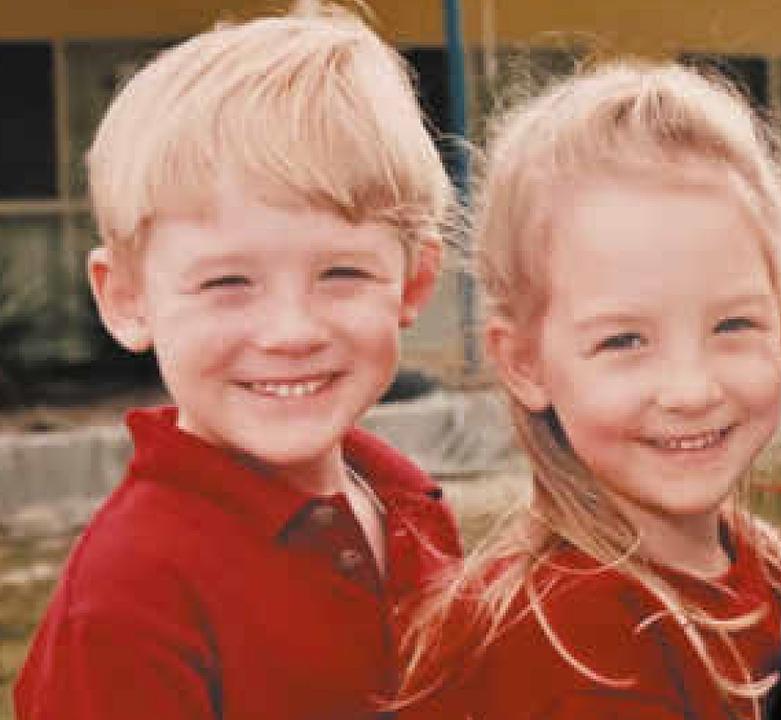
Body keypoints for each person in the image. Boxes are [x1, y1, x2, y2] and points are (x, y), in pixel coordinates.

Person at [15, 4, 462, 718]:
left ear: (412, 283)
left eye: (341, 274)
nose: (290, 331)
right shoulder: (127, 601)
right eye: (228, 283)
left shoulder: (413, 510)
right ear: (127, 298)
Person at [397, 60, 781, 720]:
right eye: (624, 341)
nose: (691, 389)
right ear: (524, 363)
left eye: (732, 324)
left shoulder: (776, 571)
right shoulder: (550, 639)